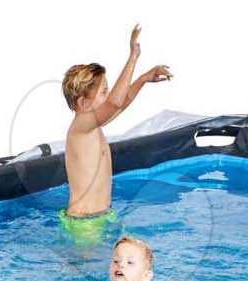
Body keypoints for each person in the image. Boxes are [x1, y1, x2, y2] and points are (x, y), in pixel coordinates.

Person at [59, 26, 171, 244]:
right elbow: (115, 102)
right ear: (83, 102)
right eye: (104, 91)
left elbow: (121, 103)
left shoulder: (92, 125)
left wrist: (143, 79)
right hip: (84, 223)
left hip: (101, 217)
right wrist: (133, 56)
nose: (109, 95)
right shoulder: (81, 125)